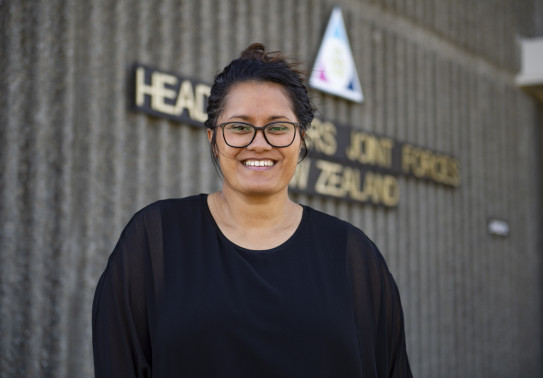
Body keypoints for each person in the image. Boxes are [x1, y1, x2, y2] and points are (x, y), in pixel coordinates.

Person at [92, 43, 412, 378]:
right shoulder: (153, 241)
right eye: (240, 127)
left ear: (300, 139)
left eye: (277, 127)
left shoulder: (352, 255)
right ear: (213, 140)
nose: (259, 143)